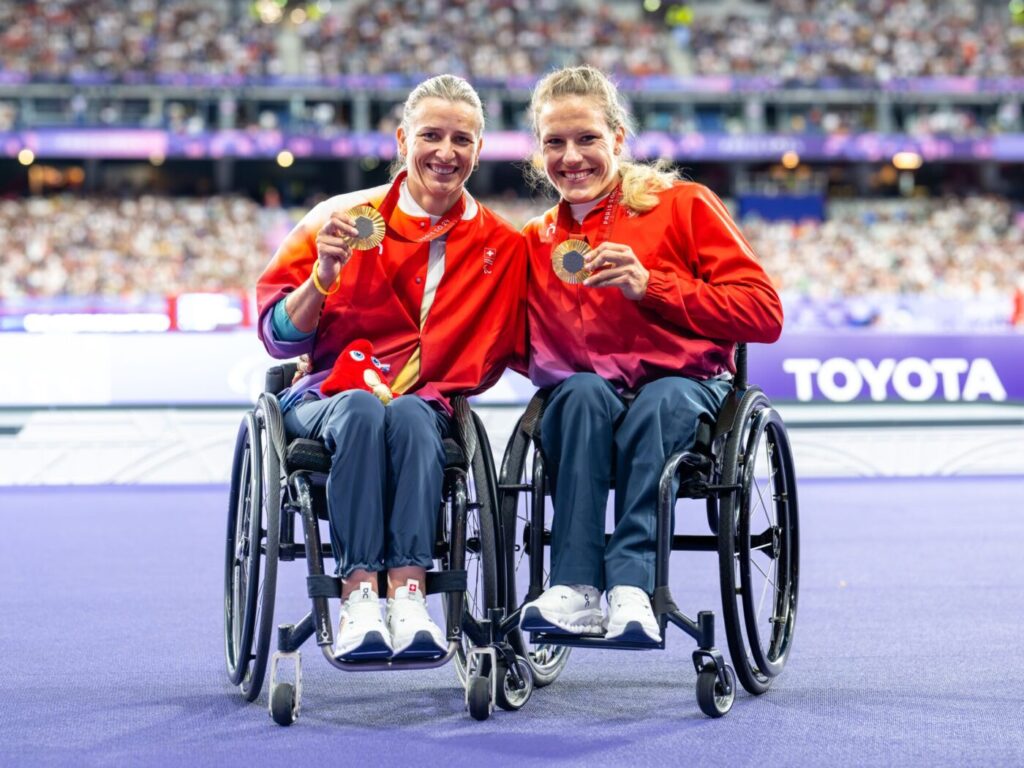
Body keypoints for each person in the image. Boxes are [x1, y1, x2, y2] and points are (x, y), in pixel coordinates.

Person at [256, 74, 525, 661]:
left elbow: (539, 341)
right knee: (359, 407)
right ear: (402, 140)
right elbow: (275, 337)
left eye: (462, 140)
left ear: (479, 150)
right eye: (431, 135)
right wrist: (320, 282)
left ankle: (408, 591)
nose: (446, 153)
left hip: (420, 407)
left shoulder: (503, 247)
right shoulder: (338, 217)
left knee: (407, 412)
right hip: (326, 397)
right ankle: (358, 595)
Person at [517, 66, 783, 643]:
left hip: (685, 388)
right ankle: (574, 588)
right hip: (594, 405)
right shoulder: (535, 242)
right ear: (538, 154)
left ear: (617, 137)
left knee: (659, 402)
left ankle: (633, 586)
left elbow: (763, 313)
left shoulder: (683, 204)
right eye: (554, 143)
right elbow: (501, 340)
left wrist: (651, 286)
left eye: (587, 138)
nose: (572, 157)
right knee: (579, 392)